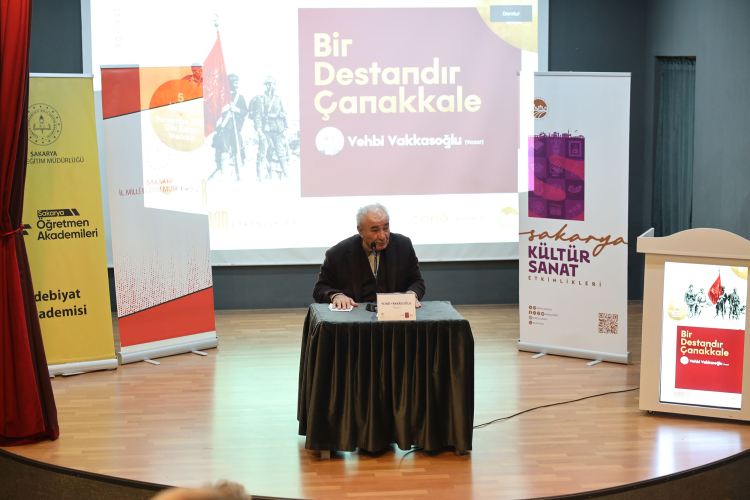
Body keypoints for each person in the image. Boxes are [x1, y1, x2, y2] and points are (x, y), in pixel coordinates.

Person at [313, 203, 425, 310]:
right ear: (361, 231)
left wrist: (411, 294)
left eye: (386, 228)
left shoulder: (403, 245)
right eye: (375, 230)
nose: (382, 236)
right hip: (354, 318)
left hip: (395, 315)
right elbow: (320, 288)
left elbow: (417, 281)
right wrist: (336, 296)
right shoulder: (338, 253)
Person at [208, 74, 248, 182]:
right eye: (235, 82)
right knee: (224, 149)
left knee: (238, 149)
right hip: (224, 128)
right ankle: (224, 175)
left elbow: (245, 111)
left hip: (235, 129)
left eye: (237, 82)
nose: (237, 85)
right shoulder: (220, 97)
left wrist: (237, 110)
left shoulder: (240, 97)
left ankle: (239, 174)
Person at [253, 76, 289, 180]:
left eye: (275, 84)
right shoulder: (260, 99)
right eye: (272, 84)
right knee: (263, 152)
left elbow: (283, 114)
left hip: (277, 129)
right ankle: (260, 176)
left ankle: (286, 174)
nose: (274, 87)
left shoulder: (278, 98)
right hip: (266, 129)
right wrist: (259, 129)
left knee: (281, 151)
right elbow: (257, 116)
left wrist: (286, 128)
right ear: (267, 86)